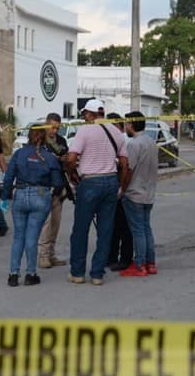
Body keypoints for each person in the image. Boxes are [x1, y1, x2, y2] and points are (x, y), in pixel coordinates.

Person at [66, 99, 128, 286]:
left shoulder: (84, 130)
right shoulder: (116, 132)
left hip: (90, 182)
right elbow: (125, 163)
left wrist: (73, 175)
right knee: (105, 230)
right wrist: (121, 187)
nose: (84, 117)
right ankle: (97, 274)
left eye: (85, 114)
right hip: (110, 182)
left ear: (90, 114)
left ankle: (77, 272)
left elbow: (71, 158)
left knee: (80, 229)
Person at [1, 126, 63, 287]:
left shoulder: (19, 154)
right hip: (41, 195)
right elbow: (57, 183)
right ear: (45, 138)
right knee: (32, 237)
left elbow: (8, 177)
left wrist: (6, 197)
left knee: (18, 237)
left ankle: (13, 274)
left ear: (28, 137)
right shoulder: (50, 157)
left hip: (20, 194)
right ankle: (30, 274)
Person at [119, 111, 159, 277]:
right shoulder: (151, 142)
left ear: (132, 125)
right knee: (146, 228)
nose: (126, 127)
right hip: (148, 193)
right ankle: (150, 263)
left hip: (135, 193)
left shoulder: (134, 144)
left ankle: (139, 264)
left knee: (138, 231)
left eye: (127, 124)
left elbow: (129, 169)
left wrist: (122, 189)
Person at [37, 113, 71, 269]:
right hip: (43, 185)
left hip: (59, 186)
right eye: (52, 127)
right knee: (47, 222)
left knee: (56, 223)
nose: (54, 131)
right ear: (46, 124)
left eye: (57, 127)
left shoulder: (61, 141)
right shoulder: (39, 140)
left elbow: (66, 157)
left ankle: (51, 254)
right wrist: (55, 159)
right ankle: (43, 255)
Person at [105, 112, 133, 271]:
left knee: (124, 227)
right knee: (112, 226)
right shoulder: (109, 141)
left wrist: (122, 188)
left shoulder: (125, 141)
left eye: (112, 126)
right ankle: (111, 257)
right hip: (111, 189)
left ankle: (125, 258)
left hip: (123, 190)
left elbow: (127, 167)